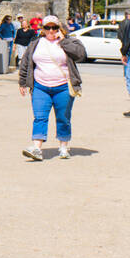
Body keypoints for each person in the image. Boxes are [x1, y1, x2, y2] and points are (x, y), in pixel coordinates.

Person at [18, 15, 85, 161]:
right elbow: (25, 63)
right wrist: (23, 82)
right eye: (47, 27)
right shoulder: (35, 43)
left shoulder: (69, 41)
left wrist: (63, 41)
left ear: (59, 28)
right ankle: (37, 148)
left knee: (63, 118)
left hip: (63, 87)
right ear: (42, 29)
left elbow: (80, 55)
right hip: (40, 86)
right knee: (40, 117)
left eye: (54, 27)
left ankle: (63, 146)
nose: (51, 31)